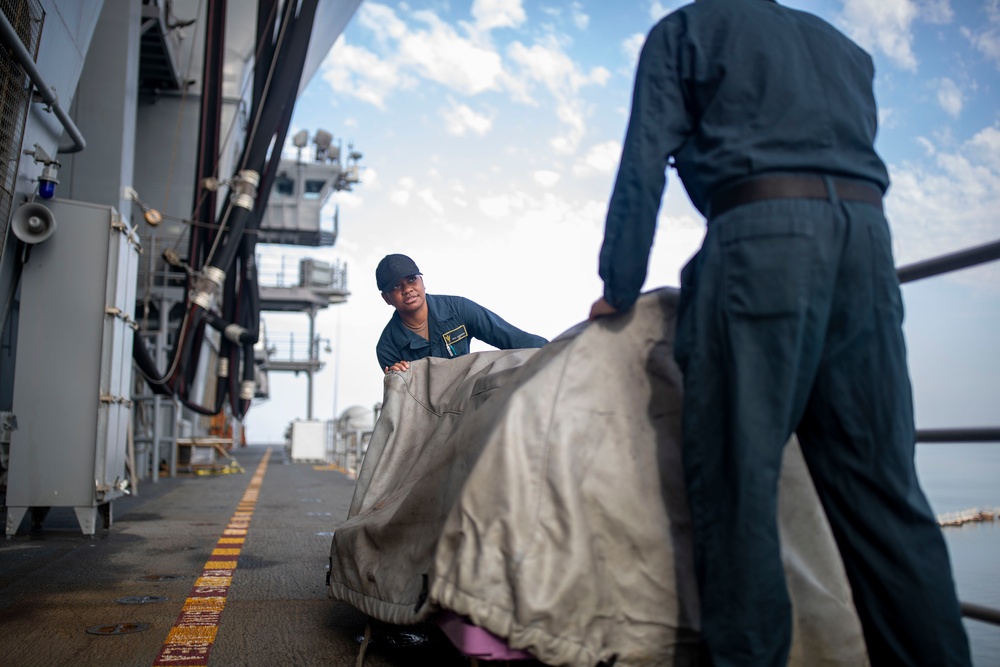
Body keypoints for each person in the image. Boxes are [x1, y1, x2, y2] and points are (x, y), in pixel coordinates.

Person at [588, 2, 971, 666]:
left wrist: (618, 286)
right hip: (868, 250)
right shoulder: (847, 50)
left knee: (738, 487)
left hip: (762, 241)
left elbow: (643, 163)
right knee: (886, 497)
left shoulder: (684, 31)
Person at [375, 253, 548, 373]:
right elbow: (406, 403)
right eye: (396, 286)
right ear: (386, 298)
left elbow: (512, 338)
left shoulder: (458, 309)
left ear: (422, 281)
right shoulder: (387, 347)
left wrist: (557, 349)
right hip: (429, 419)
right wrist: (398, 377)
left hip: (470, 402)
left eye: (412, 279)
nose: (407, 289)